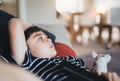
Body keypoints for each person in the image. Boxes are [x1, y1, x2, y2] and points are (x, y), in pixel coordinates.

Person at [0, 10, 120, 81]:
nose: (48, 40)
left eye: (47, 37)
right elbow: (15, 23)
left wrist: (103, 75)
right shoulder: (28, 61)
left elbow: (90, 73)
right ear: (27, 49)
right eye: (39, 38)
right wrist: (33, 29)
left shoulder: (70, 59)